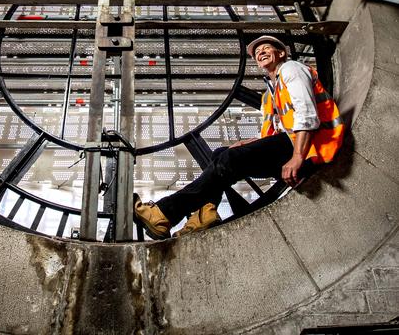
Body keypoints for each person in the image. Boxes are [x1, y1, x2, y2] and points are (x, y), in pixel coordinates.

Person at [134, 35, 345, 240]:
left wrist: (298, 156)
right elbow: (277, 133)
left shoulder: (292, 69)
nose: (260, 52)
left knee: (230, 160)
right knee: (221, 154)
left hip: (313, 148)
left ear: (281, 53)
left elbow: (307, 114)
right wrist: (249, 142)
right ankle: (203, 217)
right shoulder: (271, 92)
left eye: (266, 48)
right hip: (293, 145)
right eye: (257, 52)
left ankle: (164, 214)